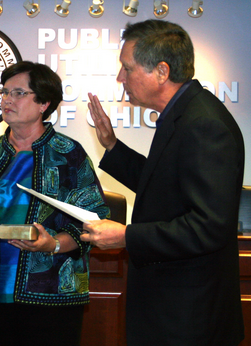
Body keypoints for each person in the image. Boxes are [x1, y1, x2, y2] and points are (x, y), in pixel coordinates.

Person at [81, 20, 245, 345]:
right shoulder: (184, 114)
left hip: (187, 319)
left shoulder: (203, 125)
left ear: (161, 71)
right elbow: (163, 187)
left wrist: (127, 236)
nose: (120, 78)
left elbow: (207, 227)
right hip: (175, 311)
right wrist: (112, 146)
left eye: (126, 68)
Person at [0, 61, 109, 346]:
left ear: (44, 104)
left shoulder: (68, 154)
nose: (6, 99)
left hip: (50, 296)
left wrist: (55, 244)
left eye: (18, 93)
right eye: (4, 92)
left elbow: (95, 219)